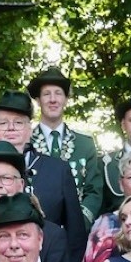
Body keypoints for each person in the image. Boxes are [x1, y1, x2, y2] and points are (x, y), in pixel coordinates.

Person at [0, 91, 88, 262]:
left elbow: (75, 233)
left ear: (30, 129)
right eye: (3, 123)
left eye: (18, 122)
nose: (11, 128)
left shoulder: (58, 169)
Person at [27, 67, 105, 223]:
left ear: (66, 99)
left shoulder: (85, 144)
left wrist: (80, 223)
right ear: (38, 100)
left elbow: (93, 191)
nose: (53, 99)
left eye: (58, 93)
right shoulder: (26, 142)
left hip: (77, 230)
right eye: (47, 94)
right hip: (34, 229)